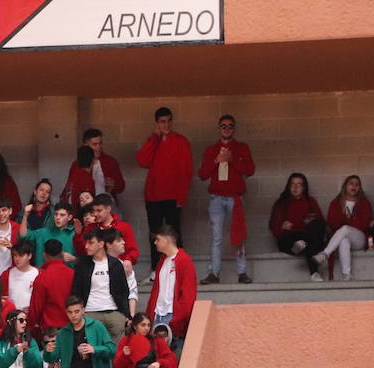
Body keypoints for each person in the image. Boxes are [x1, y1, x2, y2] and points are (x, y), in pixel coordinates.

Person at [197, 114, 256, 284]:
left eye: (230, 126)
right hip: (217, 197)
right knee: (216, 236)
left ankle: (242, 272)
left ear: (234, 129)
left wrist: (233, 160)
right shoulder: (211, 150)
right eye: (223, 126)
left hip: (235, 198)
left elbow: (250, 170)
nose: (227, 129)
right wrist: (216, 160)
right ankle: (214, 273)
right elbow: (202, 174)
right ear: (219, 129)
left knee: (238, 234)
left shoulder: (242, 148)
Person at [135, 106, 193, 276]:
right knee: (155, 234)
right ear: (157, 124)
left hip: (173, 196)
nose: (166, 125)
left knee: (174, 233)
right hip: (153, 196)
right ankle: (155, 270)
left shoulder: (181, 141)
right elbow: (142, 161)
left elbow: (186, 171)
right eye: (162, 122)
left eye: (168, 121)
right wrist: (154, 138)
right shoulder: (154, 140)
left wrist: (181, 197)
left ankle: (179, 270)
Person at [269, 172, 327, 279]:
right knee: (307, 242)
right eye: (293, 184)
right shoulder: (281, 203)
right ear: (288, 186)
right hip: (289, 240)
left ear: (304, 187)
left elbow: (320, 224)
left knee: (316, 229)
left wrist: (294, 226)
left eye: (299, 185)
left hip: (306, 237)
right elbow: (275, 227)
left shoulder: (310, 202)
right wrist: (302, 224)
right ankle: (314, 273)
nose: (295, 187)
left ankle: (303, 243)